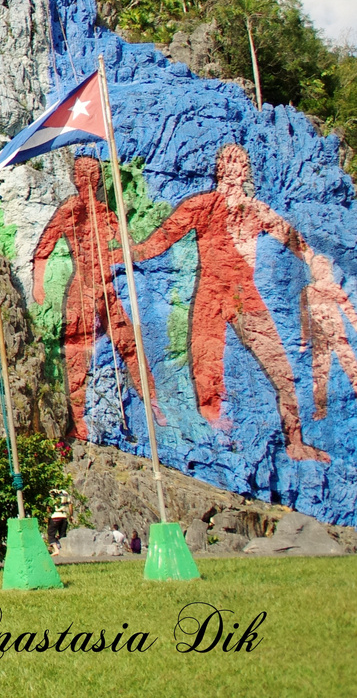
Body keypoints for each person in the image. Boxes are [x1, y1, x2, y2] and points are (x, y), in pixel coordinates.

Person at [135, 144, 329, 462]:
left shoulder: (255, 210)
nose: (235, 167)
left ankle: (294, 441)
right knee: (205, 366)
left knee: (280, 369)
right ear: (219, 168)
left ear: (246, 170)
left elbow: (291, 237)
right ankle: (216, 435)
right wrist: (125, 254)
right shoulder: (201, 205)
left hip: (244, 295)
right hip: (210, 292)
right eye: (228, 161)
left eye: (241, 162)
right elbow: (161, 239)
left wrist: (314, 262)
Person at [33, 156, 164, 439]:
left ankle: (153, 403)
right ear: (76, 178)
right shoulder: (70, 209)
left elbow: (129, 247)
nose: (90, 177)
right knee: (77, 354)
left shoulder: (107, 213)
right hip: (81, 289)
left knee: (129, 342)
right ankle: (77, 420)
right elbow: (44, 246)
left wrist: (127, 253)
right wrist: (38, 285)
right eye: (83, 172)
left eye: (94, 172)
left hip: (107, 288)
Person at [301, 253, 357, 420]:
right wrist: (304, 340)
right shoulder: (308, 291)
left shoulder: (332, 288)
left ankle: (322, 409)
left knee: (350, 366)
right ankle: (320, 409)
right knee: (319, 373)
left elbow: (348, 310)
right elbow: (304, 318)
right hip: (320, 338)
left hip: (337, 334)